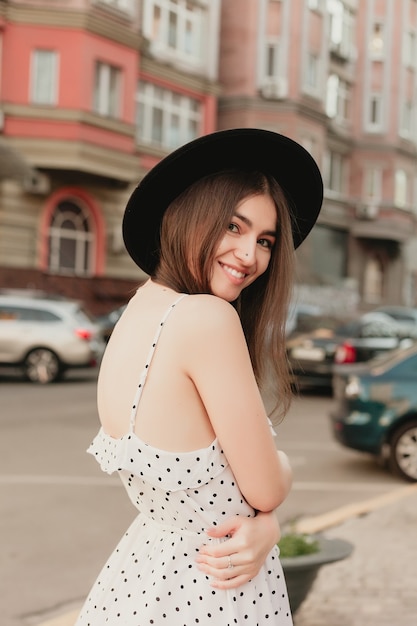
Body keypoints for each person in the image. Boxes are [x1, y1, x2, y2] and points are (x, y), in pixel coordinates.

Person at [75, 128, 323, 625]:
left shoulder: (137, 312)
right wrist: (271, 514)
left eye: (265, 240)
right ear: (193, 216)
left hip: (139, 580)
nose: (250, 255)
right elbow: (267, 488)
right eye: (234, 226)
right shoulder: (206, 318)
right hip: (209, 592)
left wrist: (265, 524)